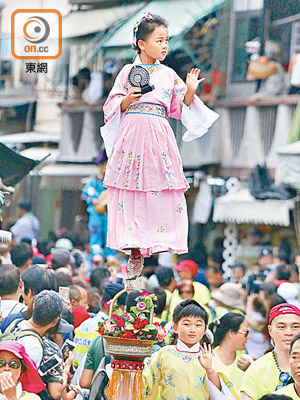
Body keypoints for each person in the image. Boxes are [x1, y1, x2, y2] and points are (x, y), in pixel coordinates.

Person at [100, 12, 219, 276]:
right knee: (130, 183)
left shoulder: (168, 74)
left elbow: (179, 106)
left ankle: (157, 240)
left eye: (167, 40)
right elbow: (109, 107)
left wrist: (189, 89)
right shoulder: (127, 72)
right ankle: (132, 245)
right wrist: (127, 99)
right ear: (142, 43)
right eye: (159, 40)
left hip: (159, 131)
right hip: (132, 130)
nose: (165, 46)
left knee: (159, 183)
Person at [142, 299, 235, 399]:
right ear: (175, 327)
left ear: (204, 329)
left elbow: (221, 393)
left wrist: (209, 370)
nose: (192, 330)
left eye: (198, 325)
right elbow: (145, 382)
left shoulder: (209, 356)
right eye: (187, 324)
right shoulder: (164, 354)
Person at [240, 303, 300, 399]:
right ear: (270, 330)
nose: (289, 332)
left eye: (295, 327)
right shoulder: (256, 370)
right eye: (281, 327)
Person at [11, 291, 64, 368]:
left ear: (33, 307)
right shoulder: (34, 347)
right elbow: (26, 378)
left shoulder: (15, 324)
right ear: (55, 321)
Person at [210, 313, 252, 399]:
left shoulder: (247, 361)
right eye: (245, 332)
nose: (248, 337)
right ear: (231, 333)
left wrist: (250, 368)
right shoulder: (209, 360)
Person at [81, 150, 114, 261]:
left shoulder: (112, 181)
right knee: (96, 233)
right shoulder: (93, 181)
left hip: (108, 213)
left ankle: (110, 253)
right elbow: (86, 194)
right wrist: (92, 199)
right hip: (95, 213)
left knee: (109, 234)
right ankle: (97, 253)